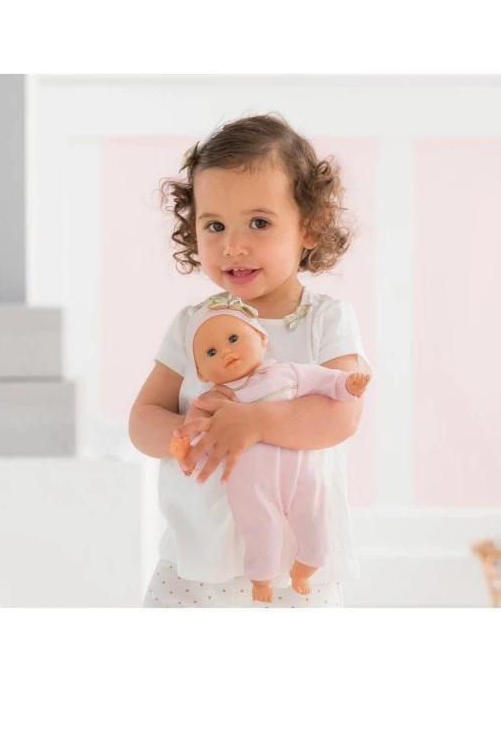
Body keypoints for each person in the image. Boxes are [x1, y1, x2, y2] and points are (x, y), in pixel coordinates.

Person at [128, 113, 372, 608]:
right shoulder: (192, 325)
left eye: (259, 223)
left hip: (295, 569)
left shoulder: (325, 320)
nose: (233, 246)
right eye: (214, 225)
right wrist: (182, 433)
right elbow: (142, 419)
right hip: (196, 560)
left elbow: (341, 414)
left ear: (309, 227)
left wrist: (255, 422)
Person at [171, 300, 371, 603]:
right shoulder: (211, 401)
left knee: (315, 520)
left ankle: (306, 567)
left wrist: (348, 386)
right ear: (201, 373)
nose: (226, 352)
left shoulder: (288, 374)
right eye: (211, 353)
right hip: (251, 485)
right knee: (260, 529)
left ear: (262, 339)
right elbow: (203, 445)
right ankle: (261, 579)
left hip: (302, 474)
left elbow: (327, 381)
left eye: (234, 338)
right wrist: (185, 452)